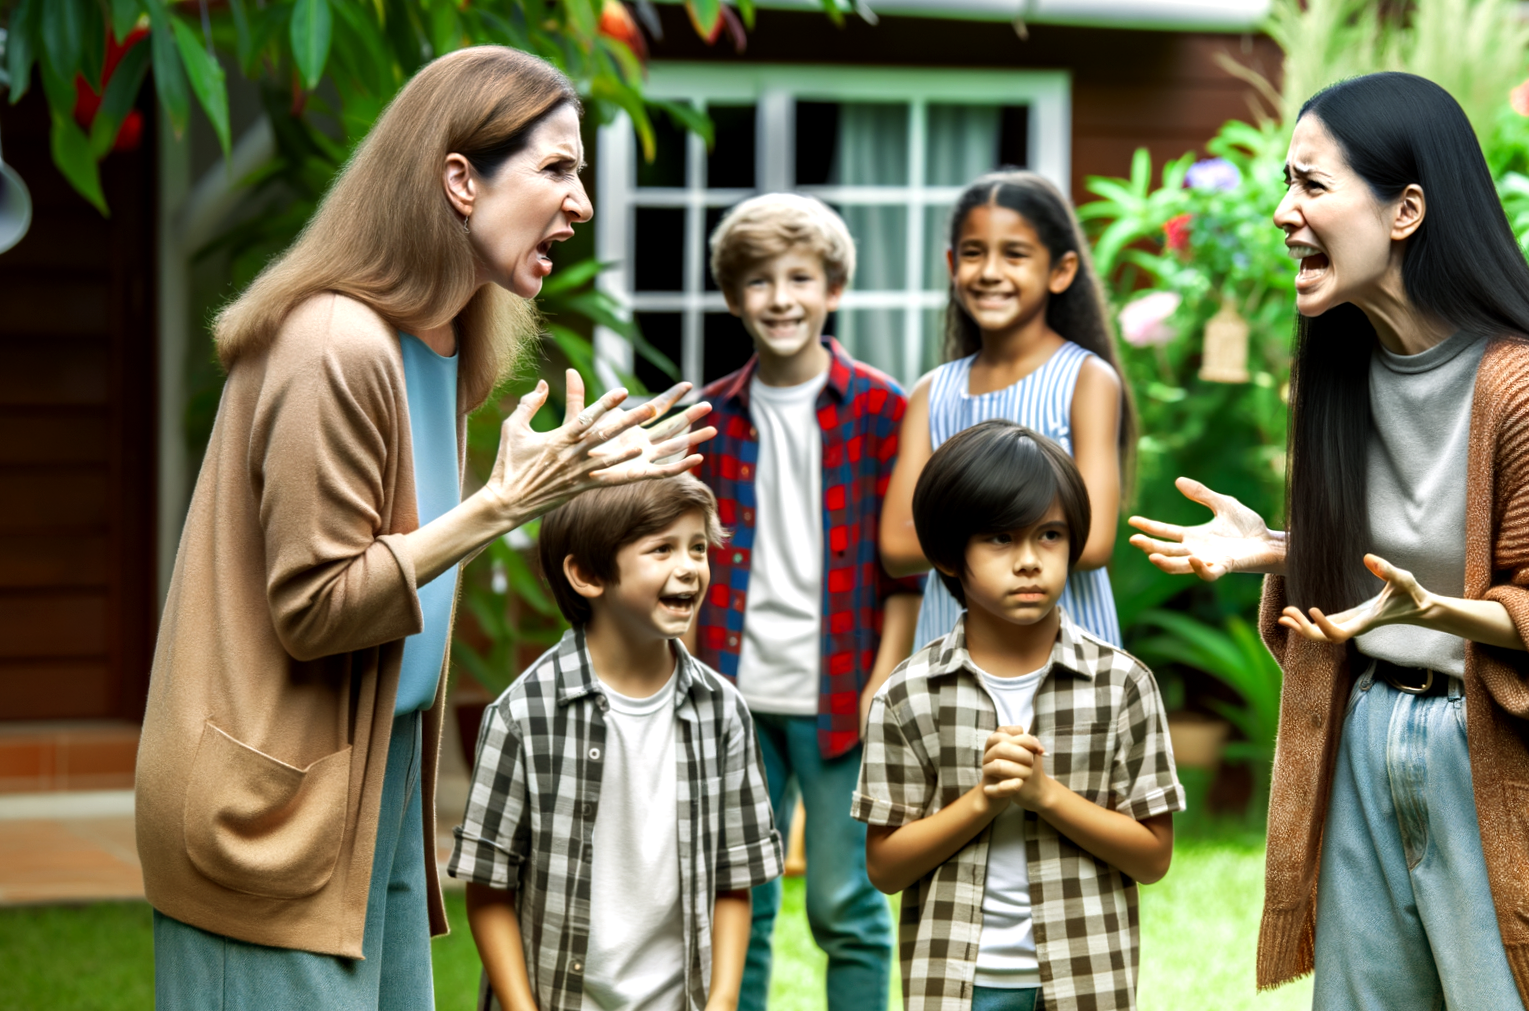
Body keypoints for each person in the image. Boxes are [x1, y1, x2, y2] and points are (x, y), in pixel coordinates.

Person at [135, 47, 713, 1010]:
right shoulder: (334, 345)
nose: (582, 203)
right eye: (558, 169)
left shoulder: (439, 340)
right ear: (458, 179)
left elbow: (414, 552)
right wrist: (501, 505)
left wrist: (587, 482)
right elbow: (316, 609)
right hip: (269, 802)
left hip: (378, 778)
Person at [1127, 73, 1529, 1011]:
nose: (1285, 213)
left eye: (1312, 184)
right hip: (1364, 731)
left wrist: (1446, 613)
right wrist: (1284, 549)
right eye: (1285, 185)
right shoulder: (1340, 373)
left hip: (1486, 752)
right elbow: (1392, 568)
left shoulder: (1525, 386)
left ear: (1406, 209)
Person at [855, 419, 1183, 1011]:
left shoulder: (1123, 685)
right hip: (956, 985)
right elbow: (884, 867)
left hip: (1086, 980)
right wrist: (983, 800)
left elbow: (1153, 857)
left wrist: (1045, 795)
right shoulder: (907, 695)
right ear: (951, 556)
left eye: (1050, 535)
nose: (1029, 561)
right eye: (1000, 539)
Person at [691, 193, 920, 1011]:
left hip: (841, 697)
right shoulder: (708, 419)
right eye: (758, 280)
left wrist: (880, 684)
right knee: (737, 902)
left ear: (833, 289)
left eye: (799, 277)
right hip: (732, 695)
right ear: (732, 296)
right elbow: (687, 570)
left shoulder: (885, 410)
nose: (780, 297)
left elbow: (906, 574)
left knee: (844, 902)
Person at [449, 476, 783, 1011]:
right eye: (662, 549)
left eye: (698, 547)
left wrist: (721, 1000)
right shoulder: (521, 716)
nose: (690, 567)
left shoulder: (723, 711)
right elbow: (489, 889)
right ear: (586, 574)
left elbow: (733, 879)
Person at [880, 170, 1136, 651]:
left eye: (1014, 254)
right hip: (949, 646)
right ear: (953, 265)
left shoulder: (1085, 379)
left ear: (1060, 271)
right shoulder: (932, 392)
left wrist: (959, 535)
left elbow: (1095, 538)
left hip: (1067, 647)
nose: (991, 271)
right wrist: (1036, 528)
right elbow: (895, 547)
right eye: (974, 253)